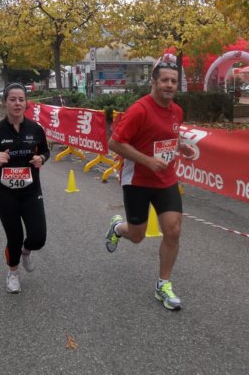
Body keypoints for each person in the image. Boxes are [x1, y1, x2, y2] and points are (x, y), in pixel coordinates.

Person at [105, 58, 196, 311]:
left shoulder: (177, 111)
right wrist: (147, 161)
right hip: (137, 180)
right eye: (164, 80)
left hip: (166, 179)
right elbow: (114, 143)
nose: (169, 85)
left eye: (173, 81)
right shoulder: (139, 110)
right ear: (153, 82)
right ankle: (118, 228)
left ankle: (163, 284)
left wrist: (181, 146)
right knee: (137, 236)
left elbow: (167, 136)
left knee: (173, 230)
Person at [0, 83, 50, 294]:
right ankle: (13, 273)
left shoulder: (36, 129)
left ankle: (26, 251)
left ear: (26, 103)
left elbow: (46, 151)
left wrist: (41, 158)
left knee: (38, 237)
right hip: (5, 193)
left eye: (21, 99)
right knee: (14, 236)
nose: (17, 103)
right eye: (12, 99)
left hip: (31, 190)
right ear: (4, 103)